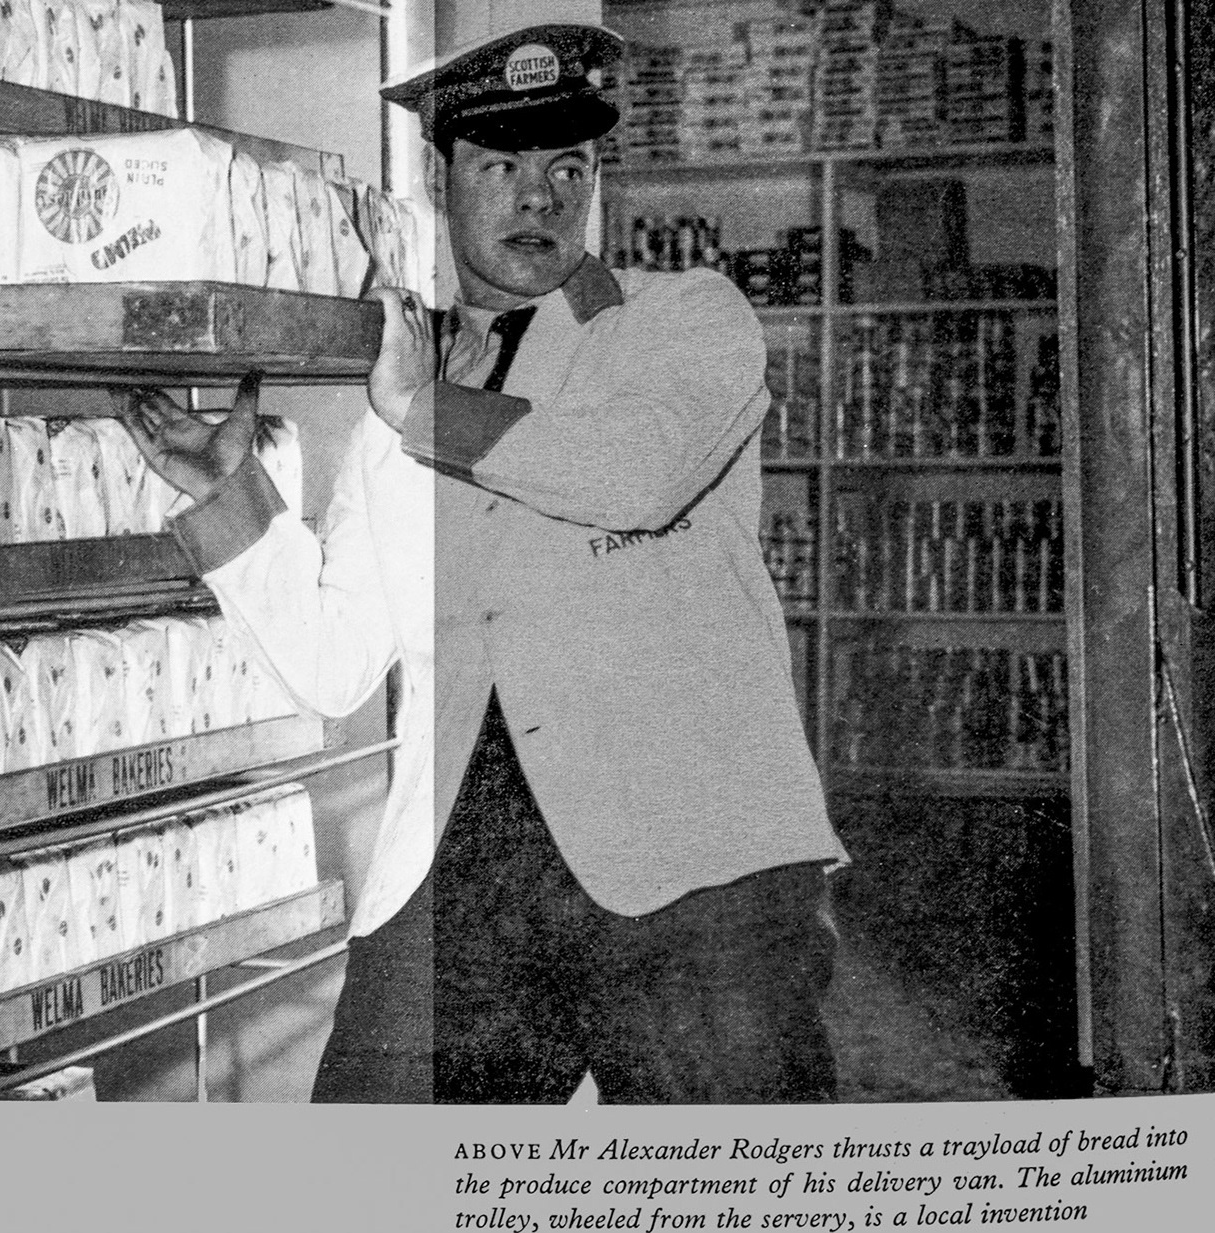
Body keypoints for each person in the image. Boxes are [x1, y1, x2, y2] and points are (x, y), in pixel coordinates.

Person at [119, 18, 848, 1105]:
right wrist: (230, 496)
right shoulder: (405, 391)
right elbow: (336, 664)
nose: (539, 197)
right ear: (439, 177)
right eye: (501, 165)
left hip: (700, 877)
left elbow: (635, 474)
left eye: (568, 166)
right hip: (463, 871)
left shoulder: (684, 323)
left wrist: (420, 407)